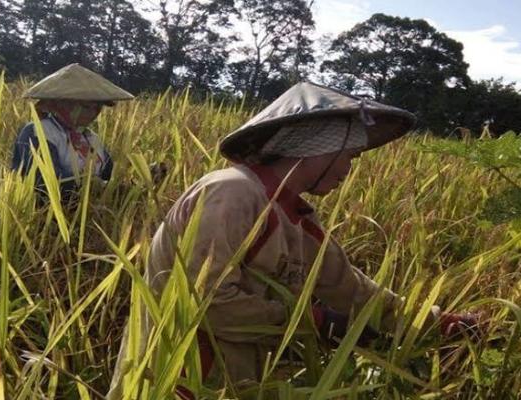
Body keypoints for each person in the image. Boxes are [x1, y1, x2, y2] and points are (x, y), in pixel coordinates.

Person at [107, 82, 479, 398]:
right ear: (316, 149)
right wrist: (316, 321)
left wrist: (441, 322)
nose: (348, 172)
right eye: (348, 157)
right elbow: (206, 301)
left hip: (234, 381)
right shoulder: (231, 192)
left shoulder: (296, 218)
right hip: (175, 378)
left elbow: (355, 293)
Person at [11, 63, 134, 201]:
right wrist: (92, 187)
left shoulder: (91, 138)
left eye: (98, 107)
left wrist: (136, 179)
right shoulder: (38, 132)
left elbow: (109, 176)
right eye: (87, 106)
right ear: (62, 104)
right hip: (48, 218)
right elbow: (44, 184)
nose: (94, 113)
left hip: (93, 215)